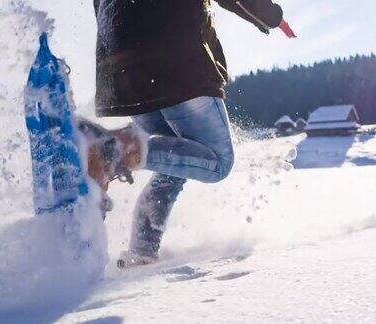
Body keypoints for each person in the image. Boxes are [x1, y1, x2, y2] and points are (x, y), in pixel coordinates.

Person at [83, 0, 285, 268]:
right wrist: (270, 16)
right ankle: (116, 149)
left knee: (173, 162)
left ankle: (142, 250)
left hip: (123, 68)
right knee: (218, 162)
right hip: (177, 57)